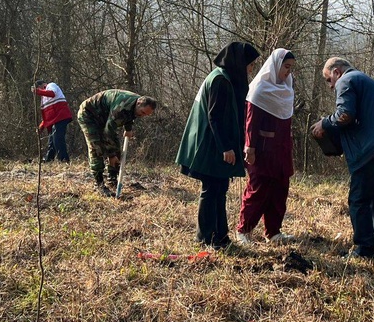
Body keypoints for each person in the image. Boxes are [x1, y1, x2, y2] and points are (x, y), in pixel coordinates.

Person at [311, 57, 374, 259]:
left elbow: (345, 114)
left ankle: (364, 250)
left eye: (329, 80)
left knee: (359, 199)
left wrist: (324, 123)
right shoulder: (369, 82)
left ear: (337, 72)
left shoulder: (347, 80)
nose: (330, 87)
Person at [176, 42, 260, 249]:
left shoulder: (223, 77)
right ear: (239, 63)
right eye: (250, 65)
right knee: (211, 189)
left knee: (219, 188)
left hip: (215, 142)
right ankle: (205, 237)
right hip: (211, 144)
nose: (251, 69)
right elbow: (214, 117)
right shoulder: (220, 81)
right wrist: (226, 148)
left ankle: (220, 236)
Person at [235, 48, 296, 246]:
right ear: (276, 65)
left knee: (280, 189)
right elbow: (251, 122)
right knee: (258, 189)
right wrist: (249, 148)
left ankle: (273, 231)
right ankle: (243, 230)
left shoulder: (287, 88)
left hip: (282, 149)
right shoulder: (260, 88)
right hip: (262, 149)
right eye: (286, 67)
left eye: (290, 68)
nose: (288, 72)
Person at [77, 90, 157, 196]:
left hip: (105, 118)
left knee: (116, 147)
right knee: (96, 147)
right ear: (139, 103)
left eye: (146, 115)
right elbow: (107, 131)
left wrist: (128, 128)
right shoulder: (121, 107)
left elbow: (130, 115)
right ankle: (99, 184)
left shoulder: (137, 103)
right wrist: (111, 155)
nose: (143, 116)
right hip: (89, 115)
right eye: (142, 113)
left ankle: (113, 180)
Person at [32, 80, 73, 162]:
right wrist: (41, 126)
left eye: (39, 88)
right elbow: (47, 116)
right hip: (54, 120)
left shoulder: (51, 85)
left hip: (61, 116)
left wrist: (37, 91)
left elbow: (52, 93)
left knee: (57, 138)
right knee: (51, 141)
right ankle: (48, 159)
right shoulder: (43, 99)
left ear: (42, 85)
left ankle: (64, 159)